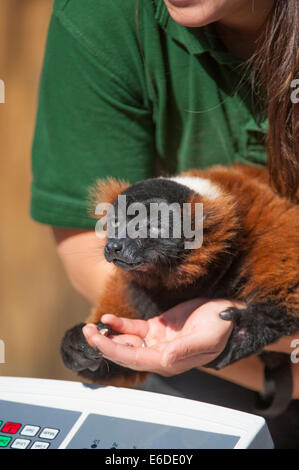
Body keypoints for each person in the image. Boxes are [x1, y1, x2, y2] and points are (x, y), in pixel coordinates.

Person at [31, 0, 299, 448]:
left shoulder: (265, 231)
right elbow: (94, 261)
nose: (117, 249)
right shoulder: (103, 16)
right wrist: (117, 343)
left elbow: (285, 299)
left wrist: (250, 346)